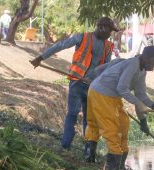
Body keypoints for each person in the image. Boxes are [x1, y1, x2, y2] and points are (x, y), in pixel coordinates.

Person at [30, 17, 119, 152]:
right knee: (72, 113)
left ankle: (88, 150)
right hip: (77, 81)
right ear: (102, 28)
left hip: (93, 87)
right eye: (109, 31)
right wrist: (40, 58)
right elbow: (60, 46)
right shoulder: (82, 37)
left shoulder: (108, 46)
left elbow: (105, 68)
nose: (110, 34)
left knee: (89, 119)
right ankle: (66, 145)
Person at [84, 45, 154, 170]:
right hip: (102, 93)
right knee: (111, 128)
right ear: (146, 58)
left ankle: (120, 167)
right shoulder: (133, 64)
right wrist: (138, 104)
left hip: (110, 95)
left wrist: (153, 108)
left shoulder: (141, 71)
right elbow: (122, 88)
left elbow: (141, 95)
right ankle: (112, 169)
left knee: (123, 124)